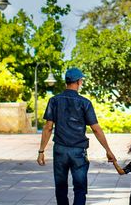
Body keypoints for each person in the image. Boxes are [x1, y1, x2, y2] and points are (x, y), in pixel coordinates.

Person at [37, 67, 117, 205]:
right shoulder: (85, 103)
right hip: (78, 151)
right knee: (80, 188)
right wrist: (108, 150)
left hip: (60, 150)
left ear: (66, 82)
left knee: (60, 187)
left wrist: (41, 151)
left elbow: (48, 127)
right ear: (79, 82)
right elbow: (96, 129)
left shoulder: (54, 101)